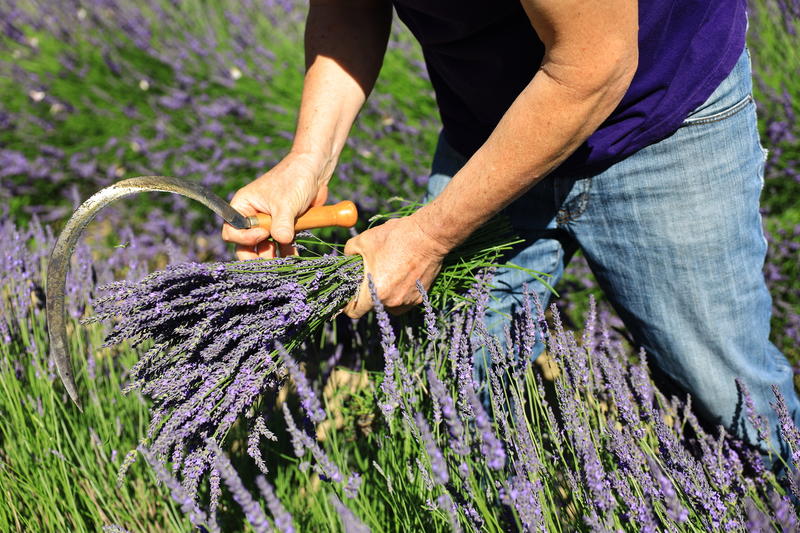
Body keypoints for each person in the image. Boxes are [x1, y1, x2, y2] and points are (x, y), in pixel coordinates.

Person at [221, 0, 800, 464]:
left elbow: (592, 65)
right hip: (491, 133)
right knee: (456, 382)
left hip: (656, 116)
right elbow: (350, 8)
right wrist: (308, 159)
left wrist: (427, 237)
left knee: (728, 393)